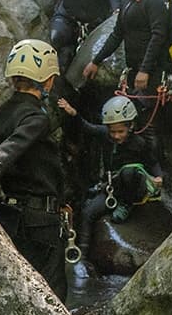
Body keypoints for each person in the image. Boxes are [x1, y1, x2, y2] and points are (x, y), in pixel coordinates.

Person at [0, 39, 67, 302]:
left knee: (25, 292)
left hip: (11, 213)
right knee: (54, 295)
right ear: (48, 81)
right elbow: (12, 148)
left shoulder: (2, 113)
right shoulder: (37, 118)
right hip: (41, 220)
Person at [58, 94, 162, 262]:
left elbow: (153, 162)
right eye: (112, 131)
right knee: (87, 212)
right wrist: (73, 113)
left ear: (131, 126)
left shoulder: (139, 143)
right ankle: (81, 258)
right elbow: (87, 127)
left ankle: (126, 205)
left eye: (120, 131)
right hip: (113, 187)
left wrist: (159, 177)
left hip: (134, 186)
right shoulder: (105, 135)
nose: (116, 136)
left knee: (129, 172)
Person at [82, 0, 172, 95]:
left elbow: (159, 37)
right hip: (135, 71)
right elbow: (117, 34)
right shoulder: (127, 0)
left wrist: (145, 70)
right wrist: (96, 61)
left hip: (154, 72)